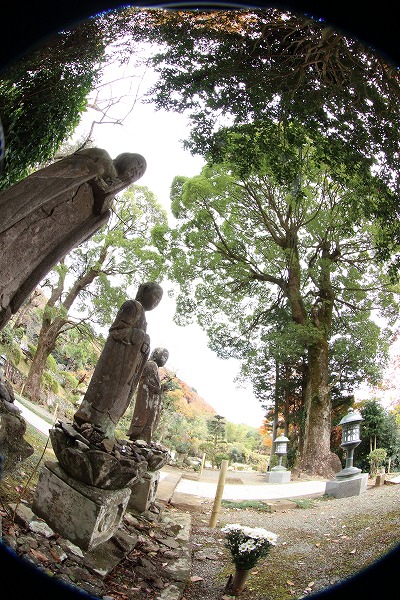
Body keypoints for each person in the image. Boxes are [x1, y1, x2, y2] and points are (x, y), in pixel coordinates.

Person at [0, 148, 146, 330]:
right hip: (43, 206)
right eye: (137, 164)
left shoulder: (107, 208)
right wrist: (96, 172)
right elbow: (66, 168)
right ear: (125, 157)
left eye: (139, 173)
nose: (136, 170)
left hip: (51, 238)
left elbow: (82, 237)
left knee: (19, 270)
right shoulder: (101, 157)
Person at [73, 282, 163, 438]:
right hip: (116, 363)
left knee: (118, 398)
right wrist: (141, 337)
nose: (156, 301)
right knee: (106, 395)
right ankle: (91, 420)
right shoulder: (132, 306)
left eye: (159, 300)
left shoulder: (143, 317)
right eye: (155, 296)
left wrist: (144, 344)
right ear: (144, 291)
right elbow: (118, 331)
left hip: (128, 368)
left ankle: (103, 429)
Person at [127, 347, 169, 444]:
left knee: (150, 420)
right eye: (164, 356)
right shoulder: (151, 365)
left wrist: (161, 389)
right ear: (156, 354)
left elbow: (153, 384)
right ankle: (140, 438)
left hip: (151, 399)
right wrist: (159, 389)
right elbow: (146, 383)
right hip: (146, 399)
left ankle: (143, 440)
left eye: (166, 358)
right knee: (146, 419)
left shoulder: (154, 367)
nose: (164, 360)